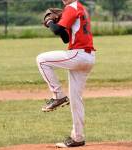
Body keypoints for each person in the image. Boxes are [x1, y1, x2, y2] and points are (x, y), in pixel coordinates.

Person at [36, 0, 96, 148]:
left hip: (79, 55)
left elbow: (56, 30)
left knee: (42, 60)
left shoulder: (71, 7)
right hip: (88, 57)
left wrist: (50, 21)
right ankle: (78, 138)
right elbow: (65, 38)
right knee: (76, 100)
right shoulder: (80, 7)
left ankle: (58, 96)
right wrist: (57, 23)